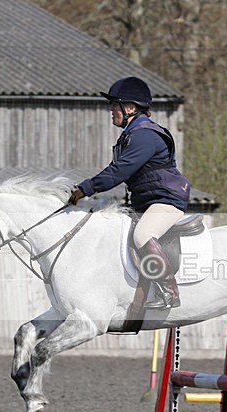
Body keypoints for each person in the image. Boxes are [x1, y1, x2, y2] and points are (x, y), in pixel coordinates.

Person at [68, 76, 190, 312]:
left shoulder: (146, 135)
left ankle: (170, 292)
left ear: (131, 108)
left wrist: (86, 188)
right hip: (148, 201)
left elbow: (118, 172)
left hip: (166, 200)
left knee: (143, 234)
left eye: (115, 105)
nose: (111, 110)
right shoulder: (132, 135)